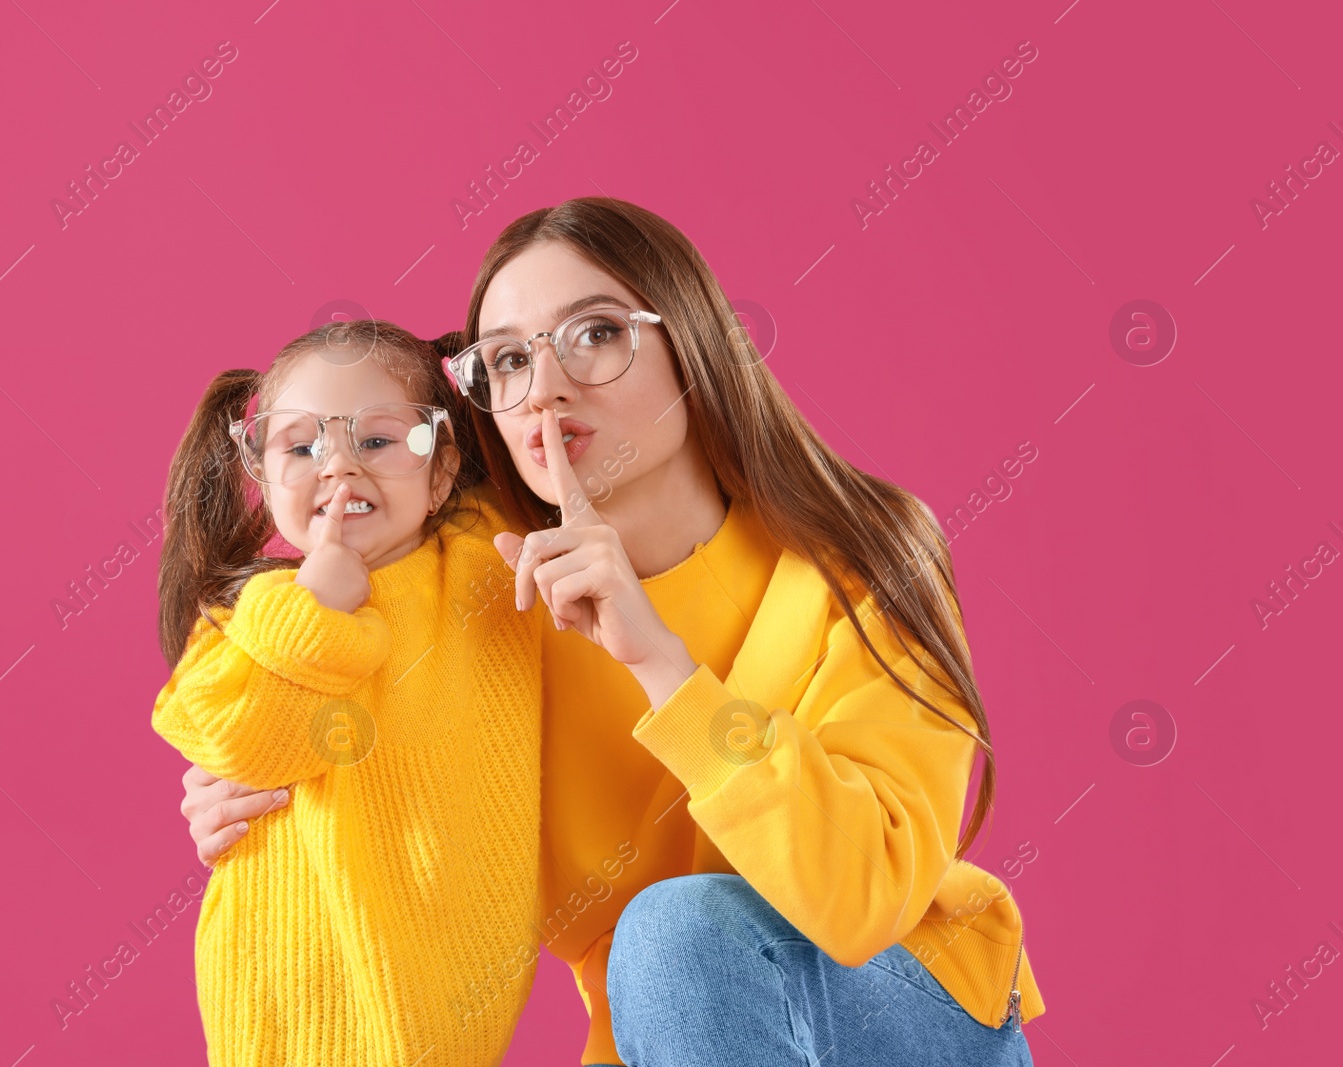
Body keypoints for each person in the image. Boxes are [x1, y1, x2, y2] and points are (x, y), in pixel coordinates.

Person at [179, 198, 1046, 1066]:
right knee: (670, 943)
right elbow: (350, 736)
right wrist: (257, 782)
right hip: (663, 1030)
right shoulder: (480, 588)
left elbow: (862, 901)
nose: (545, 386)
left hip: (905, 1004)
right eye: (508, 359)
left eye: (594, 334)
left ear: (693, 345)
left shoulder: (860, 557)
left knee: (677, 930)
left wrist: (663, 665)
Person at [151, 320, 542, 1067]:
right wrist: (318, 611)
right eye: (301, 447)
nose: (337, 468)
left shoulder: (484, 561)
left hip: (451, 991)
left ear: (440, 467)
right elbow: (241, 746)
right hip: (287, 994)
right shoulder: (250, 615)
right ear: (262, 475)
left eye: (376, 441)